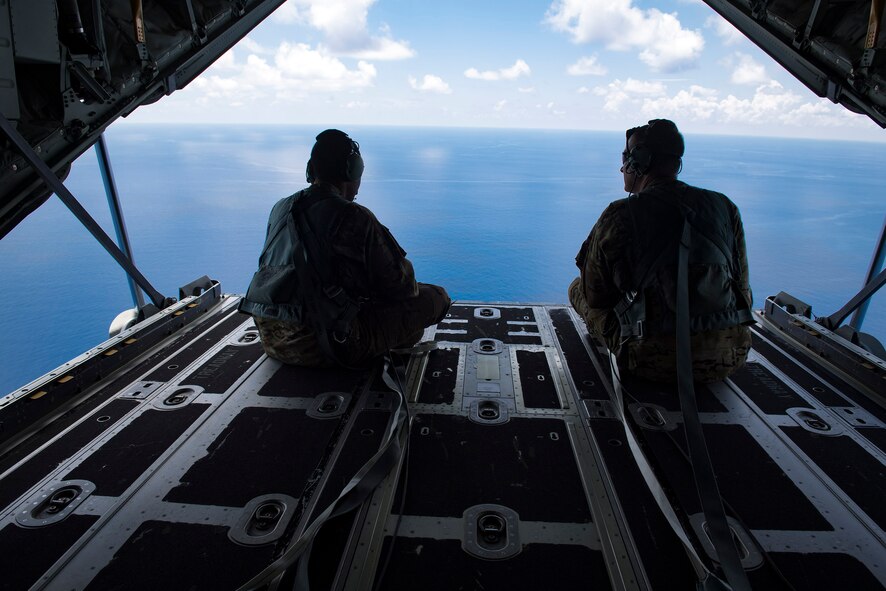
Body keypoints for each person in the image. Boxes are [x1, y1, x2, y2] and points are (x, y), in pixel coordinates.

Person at [239, 129, 451, 368]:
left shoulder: (281, 208)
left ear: (310, 170)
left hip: (273, 341)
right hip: (327, 345)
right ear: (352, 171)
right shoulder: (354, 216)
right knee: (436, 298)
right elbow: (403, 288)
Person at [568, 119, 753, 383]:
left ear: (639, 162)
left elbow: (595, 295)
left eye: (626, 157)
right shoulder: (724, 206)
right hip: (730, 355)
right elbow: (743, 291)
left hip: (649, 360)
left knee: (576, 290)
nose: (622, 166)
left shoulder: (620, 214)